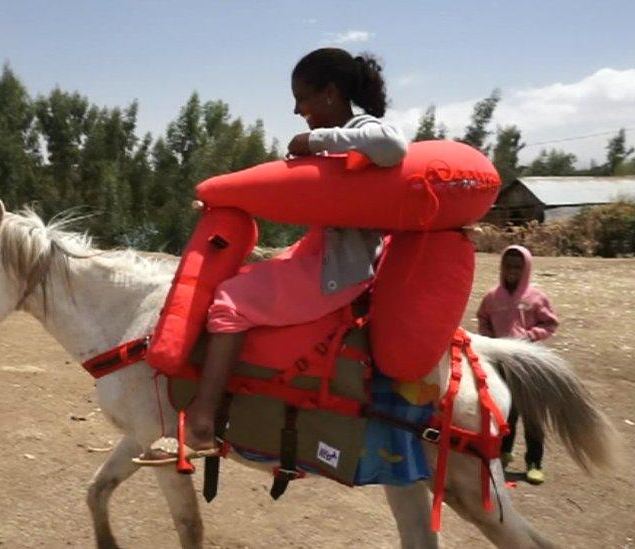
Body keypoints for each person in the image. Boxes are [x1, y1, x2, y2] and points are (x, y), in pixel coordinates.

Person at [136, 48, 409, 464]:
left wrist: (315, 140)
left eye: (303, 98)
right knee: (246, 275)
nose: (298, 110)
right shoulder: (345, 137)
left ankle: (203, 424)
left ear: (331, 93)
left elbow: (393, 145)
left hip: (337, 271)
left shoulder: (361, 129)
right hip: (322, 253)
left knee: (228, 304)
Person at [476, 245, 558, 485]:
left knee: (532, 415)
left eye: (518, 267)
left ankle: (534, 462)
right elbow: (483, 317)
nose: (512, 271)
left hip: (529, 362)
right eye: (508, 266)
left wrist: (530, 335)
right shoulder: (493, 297)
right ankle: (504, 453)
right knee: (506, 410)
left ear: (526, 268)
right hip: (503, 361)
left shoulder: (535, 296)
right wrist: (490, 340)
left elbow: (550, 323)